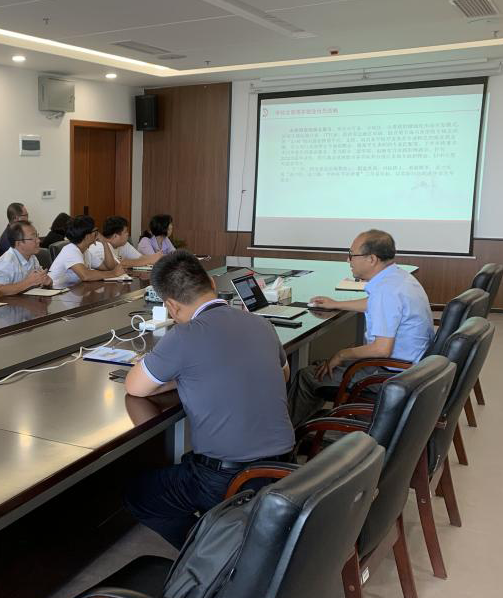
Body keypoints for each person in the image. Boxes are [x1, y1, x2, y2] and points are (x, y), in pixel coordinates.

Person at [123, 251, 294, 548]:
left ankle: (209, 557)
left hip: (228, 478)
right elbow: (285, 373)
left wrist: (180, 376)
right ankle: (226, 544)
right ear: (213, 284)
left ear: (171, 306)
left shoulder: (183, 336)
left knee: (139, 495)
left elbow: (135, 387)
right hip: (284, 466)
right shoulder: (260, 323)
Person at [287, 229, 433, 426]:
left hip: (391, 375)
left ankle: (289, 437)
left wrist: (341, 355)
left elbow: (381, 349)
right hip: (414, 368)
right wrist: (337, 304)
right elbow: (377, 305)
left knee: (308, 376)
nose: (348, 260)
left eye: (352, 255)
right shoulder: (398, 278)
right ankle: (312, 424)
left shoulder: (385, 291)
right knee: (322, 366)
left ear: (371, 259)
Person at [47, 215, 124, 288]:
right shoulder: (70, 250)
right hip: (54, 291)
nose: (98, 234)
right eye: (95, 231)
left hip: (71, 290)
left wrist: (104, 243)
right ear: (87, 236)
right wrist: (113, 273)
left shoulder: (85, 251)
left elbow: (109, 267)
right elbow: (85, 275)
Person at [0, 220, 52, 295]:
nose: (38, 240)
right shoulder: (6, 261)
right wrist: (29, 282)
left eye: (37, 236)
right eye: (32, 238)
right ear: (18, 243)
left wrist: (47, 281)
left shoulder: (32, 257)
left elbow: (39, 280)